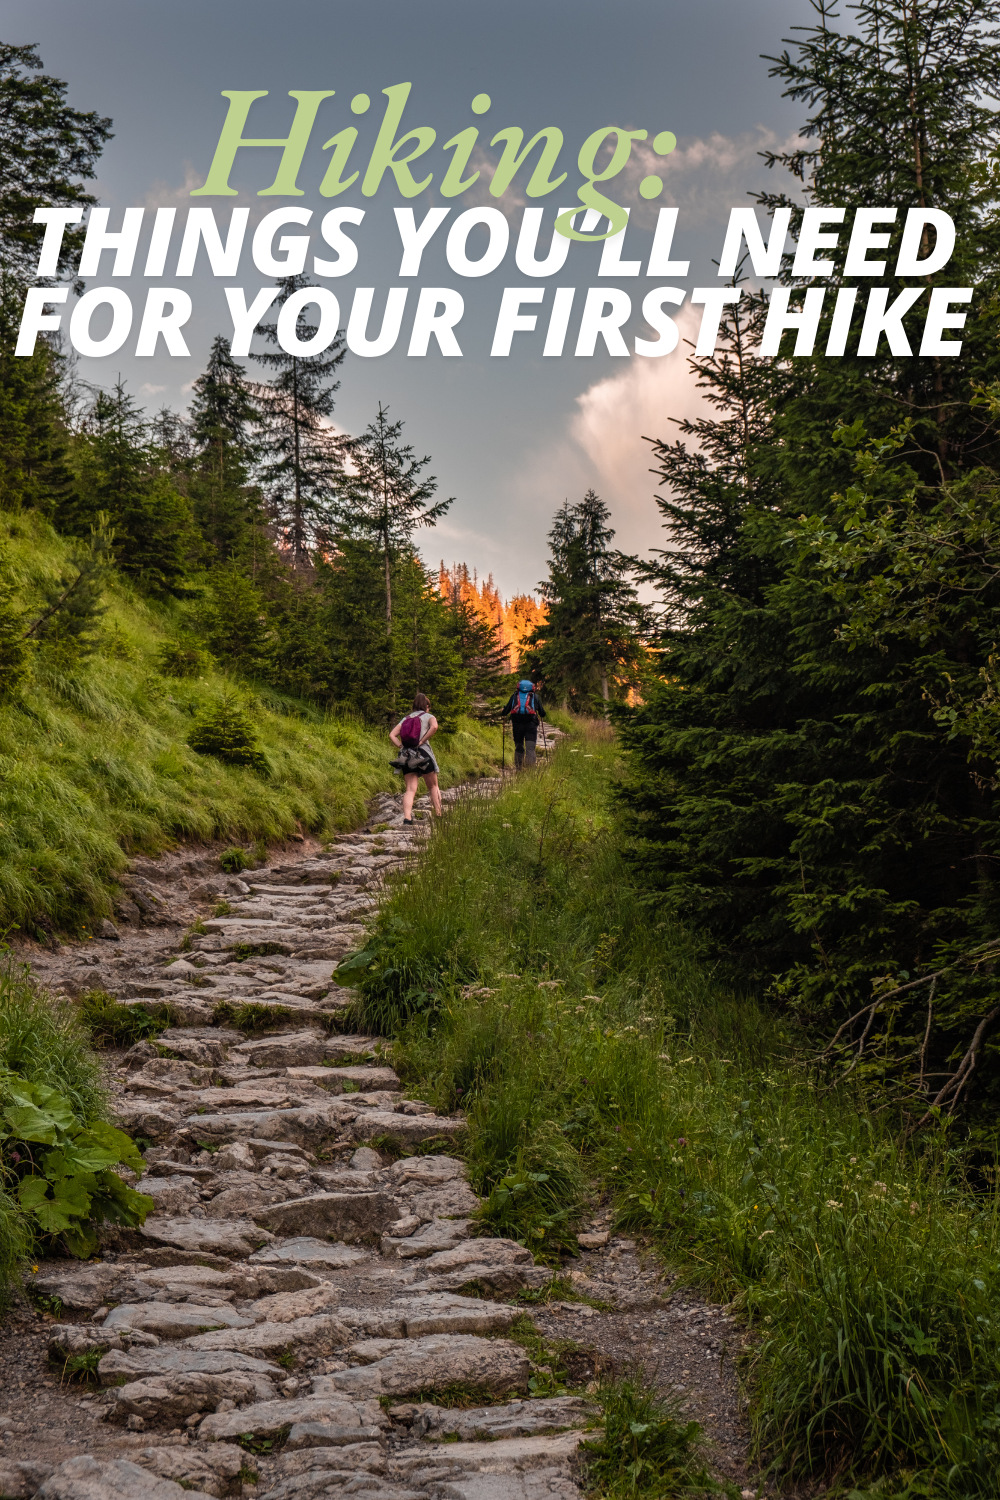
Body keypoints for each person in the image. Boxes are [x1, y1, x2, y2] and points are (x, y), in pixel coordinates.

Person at [389, 692, 443, 824]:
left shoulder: (406, 718)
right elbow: (434, 726)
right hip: (423, 753)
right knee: (433, 786)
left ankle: (407, 818)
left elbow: (392, 735)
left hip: (407, 755)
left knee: (410, 789)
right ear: (426, 706)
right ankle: (439, 814)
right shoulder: (429, 716)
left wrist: (401, 746)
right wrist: (422, 741)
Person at [500, 678, 547, 769]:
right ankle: (529, 771)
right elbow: (542, 713)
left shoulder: (514, 696)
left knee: (519, 747)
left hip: (517, 725)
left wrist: (503, 711)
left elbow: (506, 711)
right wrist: (540, 713)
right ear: (532, 688)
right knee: (530, 749)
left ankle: (519, 769)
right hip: (531, 725)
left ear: (518, 687)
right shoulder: (534, 697)